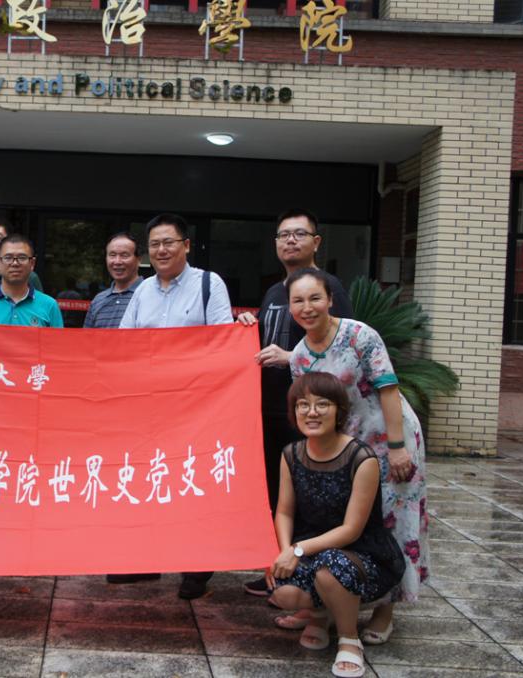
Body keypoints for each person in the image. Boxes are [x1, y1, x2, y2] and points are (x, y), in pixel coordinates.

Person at [286, 267, 428, 646]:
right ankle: (333, 604)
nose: (307, 307)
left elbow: (388, 389)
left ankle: (386, 611)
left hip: (388, 438)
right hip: (343, 450)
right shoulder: (298, 357)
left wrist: (397, 448)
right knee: (340, 519)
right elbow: (308, 410)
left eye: (315, 298)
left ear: (330, 299)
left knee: (393, 520)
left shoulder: (359, 335)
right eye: (298, 301)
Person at [237, 207, 353, 598]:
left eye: (299, 234)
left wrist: (292, 358)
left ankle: (312, 576)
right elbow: (262, 344)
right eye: (283, 234)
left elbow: (343, 348)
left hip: (311, 412)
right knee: (277, 492)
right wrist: (246, 326)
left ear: (316, 242)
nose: (290, 240)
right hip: (271, 409)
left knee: (310, 493)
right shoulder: (274, 291)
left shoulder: (330, 287)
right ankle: (278, 567)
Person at [119, 213, 234, 600]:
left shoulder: (208, 284)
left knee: (192, 482)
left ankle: (196, 567)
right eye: (154, 244)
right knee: (150, 480)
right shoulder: (142, 291)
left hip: (196, 407)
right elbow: (124, 344)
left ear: (186, 245)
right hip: (150, 407)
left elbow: (222, 340)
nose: (161, 250)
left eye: (168, 242)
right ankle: (146, 560)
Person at [266, 372, 405, 678]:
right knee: (282, 592)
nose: (312, 412)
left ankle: (349, 639)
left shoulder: (361, 458)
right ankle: (320, 615)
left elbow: (351, 529)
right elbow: (284, 511)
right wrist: (285, 550)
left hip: (361, 553)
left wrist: (297, 550)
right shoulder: (291, 454)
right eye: (303, 405)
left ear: (339, 411)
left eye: (322, 404)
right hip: (310, 548)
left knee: (331, 570)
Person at [0, 234, 63, 327]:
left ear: (32, 263)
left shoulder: (49, 306)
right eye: (8, 258)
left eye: (22, 257)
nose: (15, 263)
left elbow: (57, 340)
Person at [83, 232, 143, 329]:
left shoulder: (150, 295)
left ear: (139, 260)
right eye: (112, 255)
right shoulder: (98, 300)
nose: (117, 261)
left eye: (124, 255)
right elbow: (87, 337)